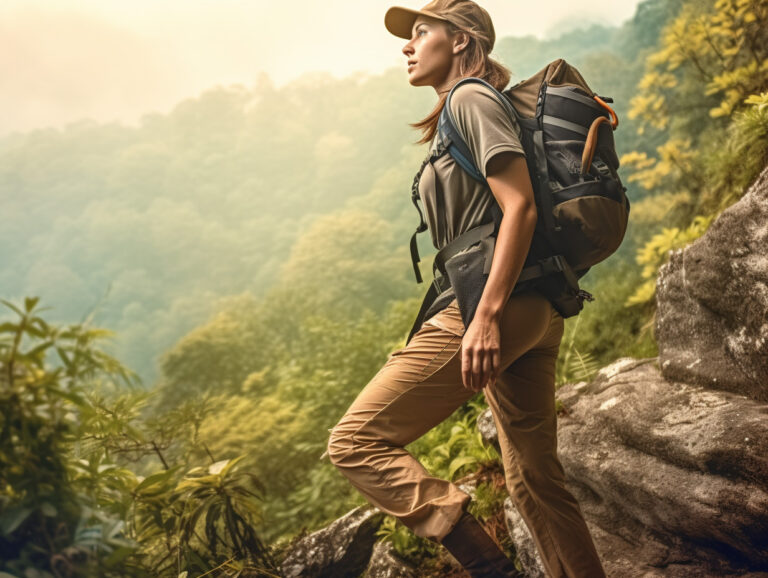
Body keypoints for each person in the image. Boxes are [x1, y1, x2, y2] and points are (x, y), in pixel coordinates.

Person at [326, 1, 607, 576]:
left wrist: (483, 317)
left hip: (497, 307)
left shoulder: (470, 98)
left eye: (421, 31)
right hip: (533, 305)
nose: (407, 45)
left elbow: (520, 206)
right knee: (534, 483)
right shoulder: (463, 108)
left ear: (461, 41)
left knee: (354, 441)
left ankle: (489, 567)